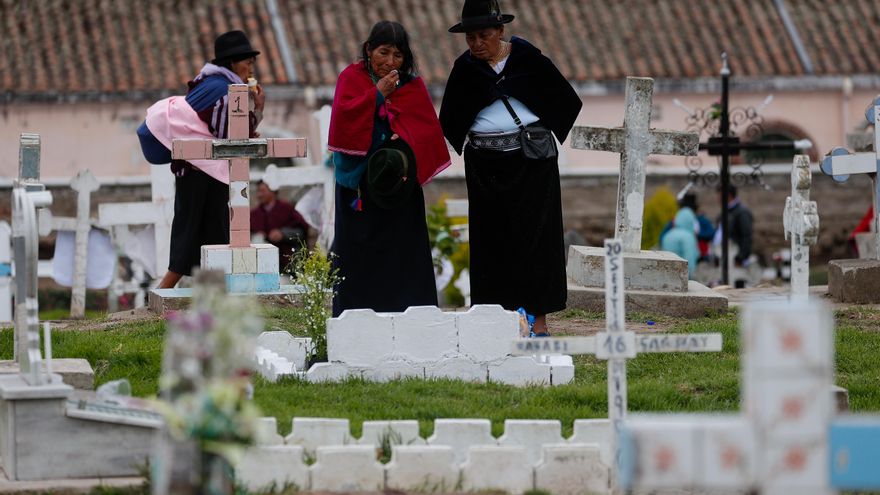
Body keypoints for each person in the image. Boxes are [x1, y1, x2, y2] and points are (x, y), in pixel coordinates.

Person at [439, 0, 582, 336]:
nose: (476, 43)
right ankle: (497, 323)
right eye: (470, 37)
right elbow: (450, 120)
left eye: (483, 35)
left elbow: (563, 100)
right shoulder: (465, 70)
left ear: (500, 31)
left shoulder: (526, 59)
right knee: (491, 242)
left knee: (539, 240)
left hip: (532, 164)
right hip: (485, 168)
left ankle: (540, 322)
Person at [327, 21, 451, 316]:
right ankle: (355, 322)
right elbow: (344, 121)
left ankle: (413, 322)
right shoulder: (352, 78)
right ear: (369, 50)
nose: (391, 62)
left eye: (398, 55)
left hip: (400, 191)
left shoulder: (411, 86)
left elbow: (424, 131)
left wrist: (403, 141)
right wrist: (378, 94)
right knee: (359, 262)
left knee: (403, 259)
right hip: (360, 190)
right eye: (384, 52)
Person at [138, 30, 266, 288]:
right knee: (197, 227)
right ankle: (165, 290)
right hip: (201, 169)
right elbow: (226, 135)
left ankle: (208, 288)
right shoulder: (225, 90)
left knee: (207, 228)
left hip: (197, 168)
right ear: (232, 62)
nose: (251, 68)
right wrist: (258, 108)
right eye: (248, 62)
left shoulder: (210, 82)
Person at [250, 180, 310, 270]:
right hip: (264, 265)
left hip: (289, 262)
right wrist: (257, 237)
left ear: (273, 191)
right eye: (258, 191)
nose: (259, 195)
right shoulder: (254, 214)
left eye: (262, 191)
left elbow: (302, 232)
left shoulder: (287, 209)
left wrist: (283, 234)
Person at [716, 185, 754, 267]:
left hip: (735, 259)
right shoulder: (724, 212)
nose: (718, 199)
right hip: (724, 258)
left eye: (720, 196)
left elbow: (746, 236)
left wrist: (741, 257)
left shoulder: (742, 212)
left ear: (728, 195)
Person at [661, 207, 700, 278]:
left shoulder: (668, 234)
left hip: (666, 275)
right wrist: (691, 278)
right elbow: (689, 260)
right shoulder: (688, 236)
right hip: (681, 278)